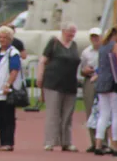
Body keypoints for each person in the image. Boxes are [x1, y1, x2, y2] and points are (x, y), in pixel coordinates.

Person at [38, 22, 80, 152]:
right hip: (53, 83)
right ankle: (50, 142)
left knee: (67, 115)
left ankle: (66, 142)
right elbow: (42, 61)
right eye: (70, 31)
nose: (72, 34)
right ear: (63, 31)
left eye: (74, 32)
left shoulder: (74, 45)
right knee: (53, 113)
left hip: (70, 84)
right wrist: (40, 77)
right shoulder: (54, 43)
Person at [0, 26, 22, 152]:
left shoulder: (13, 53)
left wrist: (8, 84)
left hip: (6, 91)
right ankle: (2, 142)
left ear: (10, 39)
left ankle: (8, 142)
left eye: (5, 37)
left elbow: (14, 70)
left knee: (8, 117)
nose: (2, 40)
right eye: (0, 37)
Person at [93, 25, 117, 156]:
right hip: (115, 83)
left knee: (103, 114)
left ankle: (98, 144)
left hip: (102, 82)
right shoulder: (116, 46)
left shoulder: (102, 47)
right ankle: (115, 145)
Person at [81, 27, 103, 152]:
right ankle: (93, 142)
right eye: (92, 37)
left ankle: (103, 141)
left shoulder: (106, 50)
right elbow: (81, 70)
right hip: (90, 80)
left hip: (103, 81)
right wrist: (85, 71)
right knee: (90, 110)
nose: (95, 39)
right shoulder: (86, 52)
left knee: (103, 111)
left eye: (97, 36)